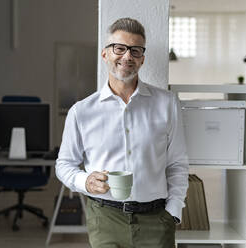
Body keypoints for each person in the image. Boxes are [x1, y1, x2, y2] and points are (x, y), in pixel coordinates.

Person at [56, 17, 189, 248]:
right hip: (105, 218)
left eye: (135, 51)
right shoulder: (81, 111)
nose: (127, 56)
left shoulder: (167, 104)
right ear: (105, 54)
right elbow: (64, 164)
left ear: (142, 59)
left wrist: (173, 210)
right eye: (119, 48)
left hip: (157, 220)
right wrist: (85, 181)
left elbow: (177, 163)